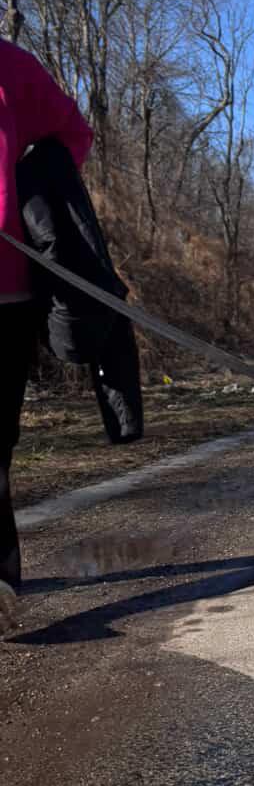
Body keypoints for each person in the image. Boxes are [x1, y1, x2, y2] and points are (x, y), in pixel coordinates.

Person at [0, 38, 92, 635]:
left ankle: (2, 586)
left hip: (6, 290)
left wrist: (34, 196)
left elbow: (72, 133)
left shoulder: (11, 67)